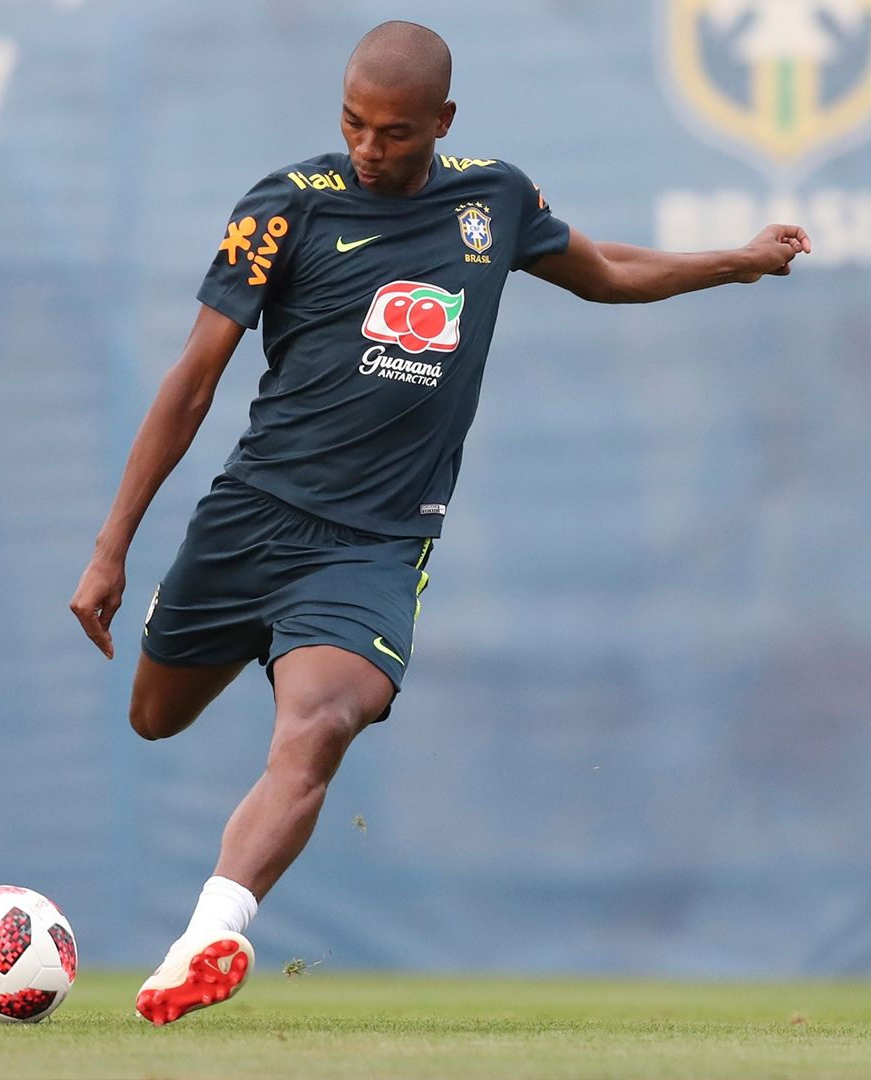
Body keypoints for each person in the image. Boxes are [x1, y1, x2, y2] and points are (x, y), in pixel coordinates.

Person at [69, 19, 810, 1025]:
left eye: (395, 132)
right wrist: (111, 545)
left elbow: (605, 269)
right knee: (154, 717)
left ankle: (208, 936)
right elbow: (194, 380)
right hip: (252, 518)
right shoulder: (286, 207)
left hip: (372, 546)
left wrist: (738, 261)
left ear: (443, 122)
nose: (370, 149)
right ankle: (251, 646)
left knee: (318, 726)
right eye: (354, 124)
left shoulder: (492, 200)